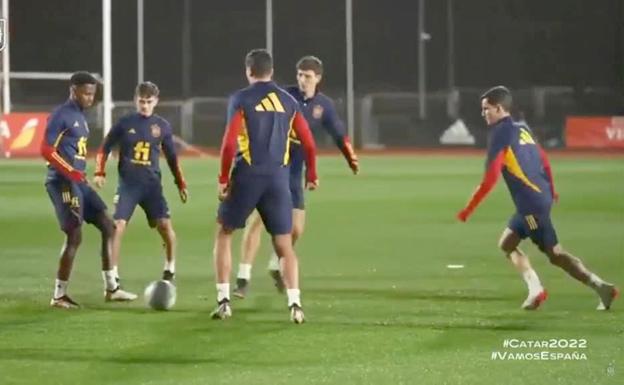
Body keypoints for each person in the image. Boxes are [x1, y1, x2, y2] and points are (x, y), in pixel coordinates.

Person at [457, 85, 619, 310]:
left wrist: (468, 209)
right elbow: (543, 159)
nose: (483, 113)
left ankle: (592, 287)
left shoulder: (499, 134)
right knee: (507, 244)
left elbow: (490, 179)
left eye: (486, 109)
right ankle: (543, 289)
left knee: (555, 254)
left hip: (530, 205)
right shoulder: (522, 128)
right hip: (539, 198)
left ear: (499, 108)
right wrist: (552, 190)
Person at [234, 55, 358, 298]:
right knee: (258, 221)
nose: (302, 80)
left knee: (297, 228)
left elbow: (338, 133)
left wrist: (350, 157)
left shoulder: (324, 106)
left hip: (294, 174)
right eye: (300, 75)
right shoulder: (284, 95)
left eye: (308, 76)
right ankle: (243, 278)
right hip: (273, 167)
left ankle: (275, 265)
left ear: (318, 78)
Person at [212, 49, 318, 323]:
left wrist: (224, 178)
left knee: (225, 233)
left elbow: (229, 142)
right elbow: (308, 142)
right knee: (284, 245)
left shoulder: (241, 98)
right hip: (278, 180)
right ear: (271, 71)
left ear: (249, 71)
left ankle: (224, 300)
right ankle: (295, 305)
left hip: (248, 175)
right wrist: (312, 174)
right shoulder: (289, 100)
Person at [41, 71, 135, 308]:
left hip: (78, 181)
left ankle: (112, 288)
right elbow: (46, 149)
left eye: (92, 93)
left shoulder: (81, 117)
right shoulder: (61, 115)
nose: (90, 98)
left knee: (108, 225)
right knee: (75, 235)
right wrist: (70, 171)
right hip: (62, 181)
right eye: (85, 92)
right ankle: (59, 295)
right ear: (73, 90)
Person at [94, 81, 188, 286]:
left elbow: (172, 157)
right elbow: (104, 148)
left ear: (156, 101)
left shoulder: (162, 126)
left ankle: (170, 269)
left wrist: (180, 183)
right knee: (117, 226)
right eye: (141, 101)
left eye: (148, 101)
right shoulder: (125, 123)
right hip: (128, 185)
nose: (144, 105)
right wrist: (99, 171)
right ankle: (113, 276)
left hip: (152, 187)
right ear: (135, 100)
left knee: (165, 227)